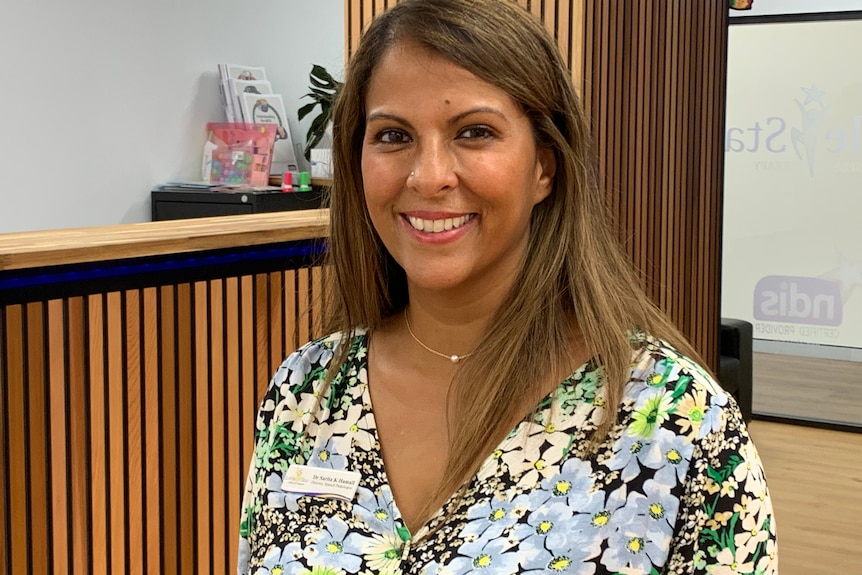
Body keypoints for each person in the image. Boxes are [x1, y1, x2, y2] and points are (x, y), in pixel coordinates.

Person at [237, 0, 777, 573]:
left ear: (544, 167)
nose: (429, 176)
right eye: (393, 136)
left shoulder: (677, 420)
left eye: (474, 132)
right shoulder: (306, 390)